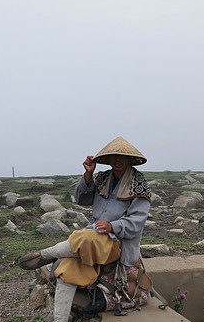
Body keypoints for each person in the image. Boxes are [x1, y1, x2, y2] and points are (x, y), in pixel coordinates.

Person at [17, 136, 151, 322]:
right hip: (93, 237)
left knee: (86, 236)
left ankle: (47, 254)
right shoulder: (104, 177)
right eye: (114, 156)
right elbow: (82, 199)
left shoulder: (139, 183)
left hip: (117, 242)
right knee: (67, 268)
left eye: (123, 156)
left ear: (130, 159)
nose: (118, 160)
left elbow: (136, 223)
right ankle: (60, 319)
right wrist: (88, 175)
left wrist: (112, 225)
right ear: (109, 159)